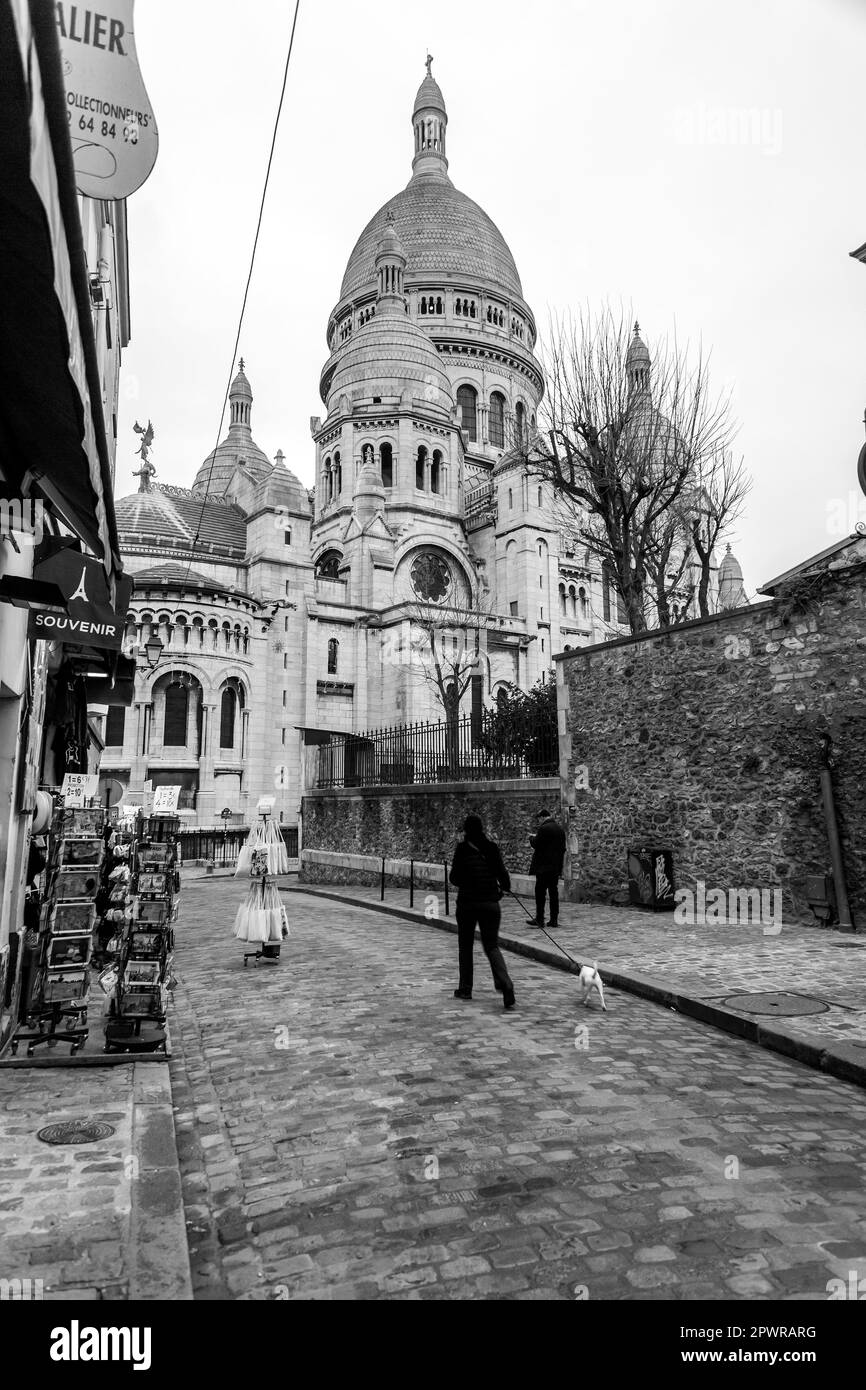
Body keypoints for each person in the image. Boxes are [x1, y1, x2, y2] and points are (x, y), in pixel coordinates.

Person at [448, 815, 515, 1010]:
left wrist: (468, 881)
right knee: (492, 945)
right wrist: (501, 887)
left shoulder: (462, 849)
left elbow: (454, 877)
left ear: (466, 830)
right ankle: (505, 983)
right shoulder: (491, 848)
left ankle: (465, 988)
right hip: (490, 904)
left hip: (468, 904)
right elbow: (504, 877)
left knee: (465, 946)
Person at [527, 808, 566, 929]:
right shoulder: (560, 829)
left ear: (542, 817)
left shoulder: (544, 828)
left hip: (543, 867)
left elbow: (537, 844)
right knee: (553, 893)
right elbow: (562, 849)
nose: (539, 822)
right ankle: (553, 920)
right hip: (555, 867)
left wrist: (531, 838)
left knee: (540, 893)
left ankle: (540, 918)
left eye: (539, 819)